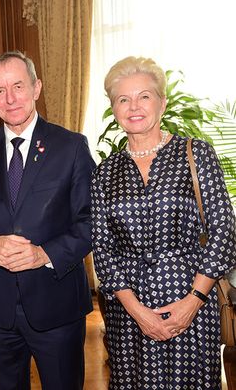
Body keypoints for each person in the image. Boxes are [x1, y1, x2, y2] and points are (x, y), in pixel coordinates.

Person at [92, 56, 236, 389]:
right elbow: (103, 248)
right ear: (114, 109)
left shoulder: (196, 155)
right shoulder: (104, 174)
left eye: (144, 96)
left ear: (162, 103)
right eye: (123, 99)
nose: (134, 106)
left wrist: (193, 301)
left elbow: (223, 232)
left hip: (191, 303)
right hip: (129, 315)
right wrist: (137, 311)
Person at [0, 51, 96, 389]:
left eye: (18, 86)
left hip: (58, 306)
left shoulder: (71, 147)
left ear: (36, 88)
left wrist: (43, 254)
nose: (10, 98)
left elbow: (92, 222)